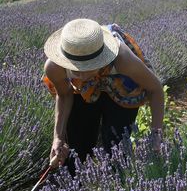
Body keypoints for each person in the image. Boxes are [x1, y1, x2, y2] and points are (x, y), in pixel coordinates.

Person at [42, 19, 164, 171]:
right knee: (76, 144)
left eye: (88, 68)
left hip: (121, 85)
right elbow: (65, 95)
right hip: (81, 90)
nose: (82, 75)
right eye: (76, 69)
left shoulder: (123, 59)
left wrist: (156, 134)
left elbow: (155, 89)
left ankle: (119, 177)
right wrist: (58, 137)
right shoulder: (55, 67)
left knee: (117, 145)